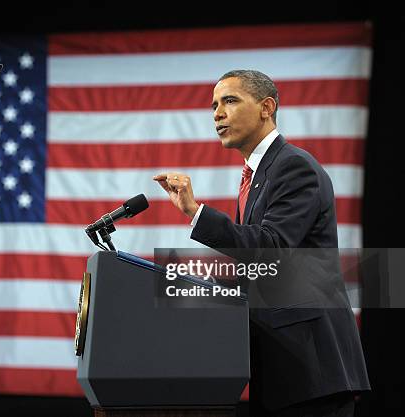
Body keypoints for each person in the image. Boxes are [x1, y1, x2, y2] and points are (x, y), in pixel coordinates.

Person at [153, 70, 370, 416]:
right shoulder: (258, 176)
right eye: (213, 106)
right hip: (282, 370)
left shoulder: (293, 166)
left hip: (311, 370)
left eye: (230, 101)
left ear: (266, 107)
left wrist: (197, 213)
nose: (217, 114)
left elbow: (272, 246)